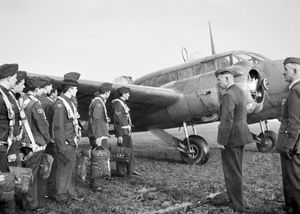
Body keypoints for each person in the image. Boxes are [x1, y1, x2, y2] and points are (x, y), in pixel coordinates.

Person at [215, 67, 253, 214]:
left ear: (227, 79)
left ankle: (238, 206)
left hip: (231, 138)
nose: (218, 83)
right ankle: (239, 201)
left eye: (219, 80)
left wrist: (222, 141)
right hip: (241, 134)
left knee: (232, 173)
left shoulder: (228, 95)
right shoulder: (240, 92)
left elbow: (227, 120)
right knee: (237, 170)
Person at [22, 76, 51, 211]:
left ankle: (24, 201)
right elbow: (43, 125)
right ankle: (31, 205)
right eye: (41, 89)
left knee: (24, 174)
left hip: (23, 143)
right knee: (32, 176)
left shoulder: (21, 100)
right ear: (37, 89)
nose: (42, 92)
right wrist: (47, 139)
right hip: (35, 144)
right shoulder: (35, 103)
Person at [52, 72, 82, 203]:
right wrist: (61, 146)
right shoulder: (61, 103)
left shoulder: (68, 102)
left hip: (71, 142)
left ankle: (70, 192)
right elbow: (58, 127)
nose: (77, 91)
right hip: (65, 143)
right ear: (70, 89)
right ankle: (61, 195)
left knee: (69, 169)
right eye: (75, 88)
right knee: (63, 171)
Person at [277, 57, 300, 214]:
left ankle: (294, 209)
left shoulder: (295, 91)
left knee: (293, 181)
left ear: (295, 71)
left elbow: (295, 121)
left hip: (293, 145)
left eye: (286, 69)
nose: (283, 72)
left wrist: (289, 145)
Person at [0, 63, 19, 214]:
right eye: (15, 77)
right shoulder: (1, 96)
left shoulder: (5, 94)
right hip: (1, 148)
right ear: (7, 77)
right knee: (5, 182)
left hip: (5, 145)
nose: (16, 80)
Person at [87, 82, 112, 191]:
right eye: (109, 92)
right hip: (99, 135)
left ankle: (98, 180)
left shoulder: (98, 101)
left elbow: (98, 119)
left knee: (100, 158)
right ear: (107, 93)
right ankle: (96, 184)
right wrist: (98, 137)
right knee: (98, 158)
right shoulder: (98, 102)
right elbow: (96, 120)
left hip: (100, 134)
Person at [112, 86, 140, 177]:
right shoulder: (118, 104)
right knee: (121, 152)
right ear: (123, 94)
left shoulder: (123, 103)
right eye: (127, 93)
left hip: (127, 131)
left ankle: (131, 170)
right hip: (122, 132)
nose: (129, 95)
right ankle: (121, 172)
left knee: (130, 151)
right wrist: (119, 135)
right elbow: (117, 121)